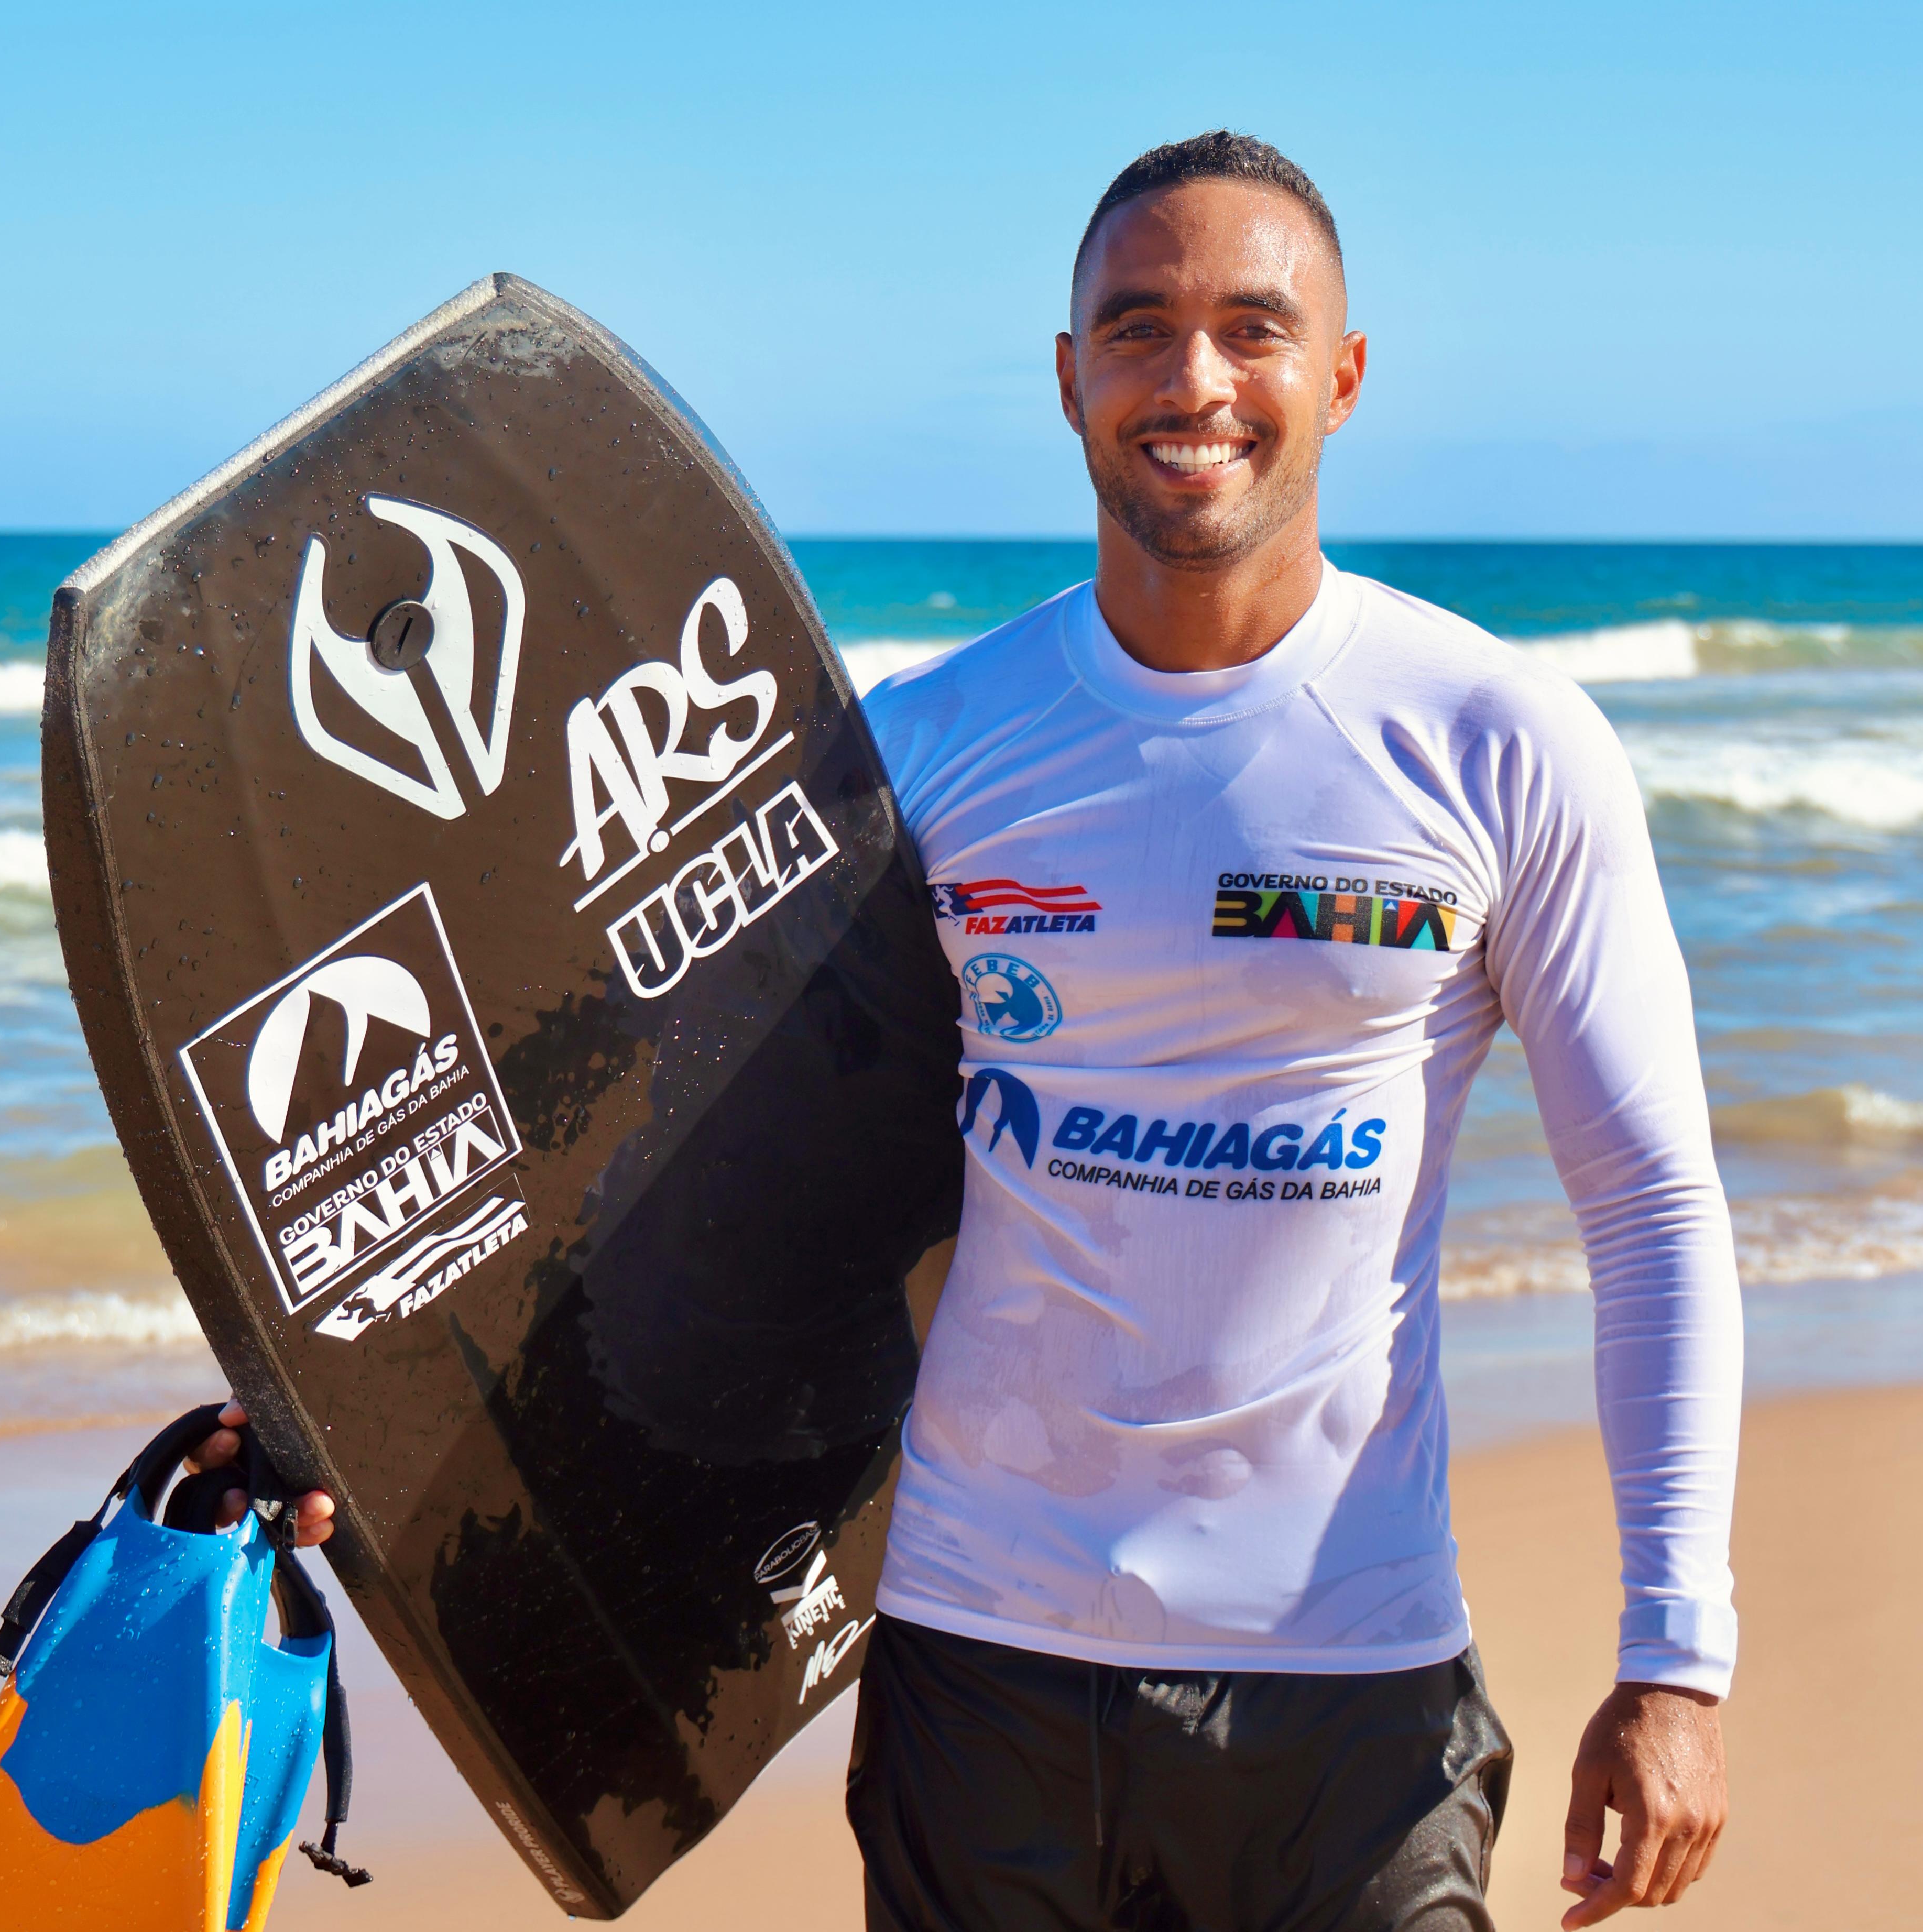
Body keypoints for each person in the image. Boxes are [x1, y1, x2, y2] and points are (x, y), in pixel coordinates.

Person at [198, 127, 1741, 1932]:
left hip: (1349, 1675)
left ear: (1340, 377)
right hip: (977, 1659)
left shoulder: (1495, 742)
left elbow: (1648, 1205)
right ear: (1070, 376)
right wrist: (345, 1405)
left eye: (1251, 329)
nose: (1192, 380)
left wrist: (1675, 1657)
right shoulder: (922, 754)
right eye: (1138, 328)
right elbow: (660, 1157)